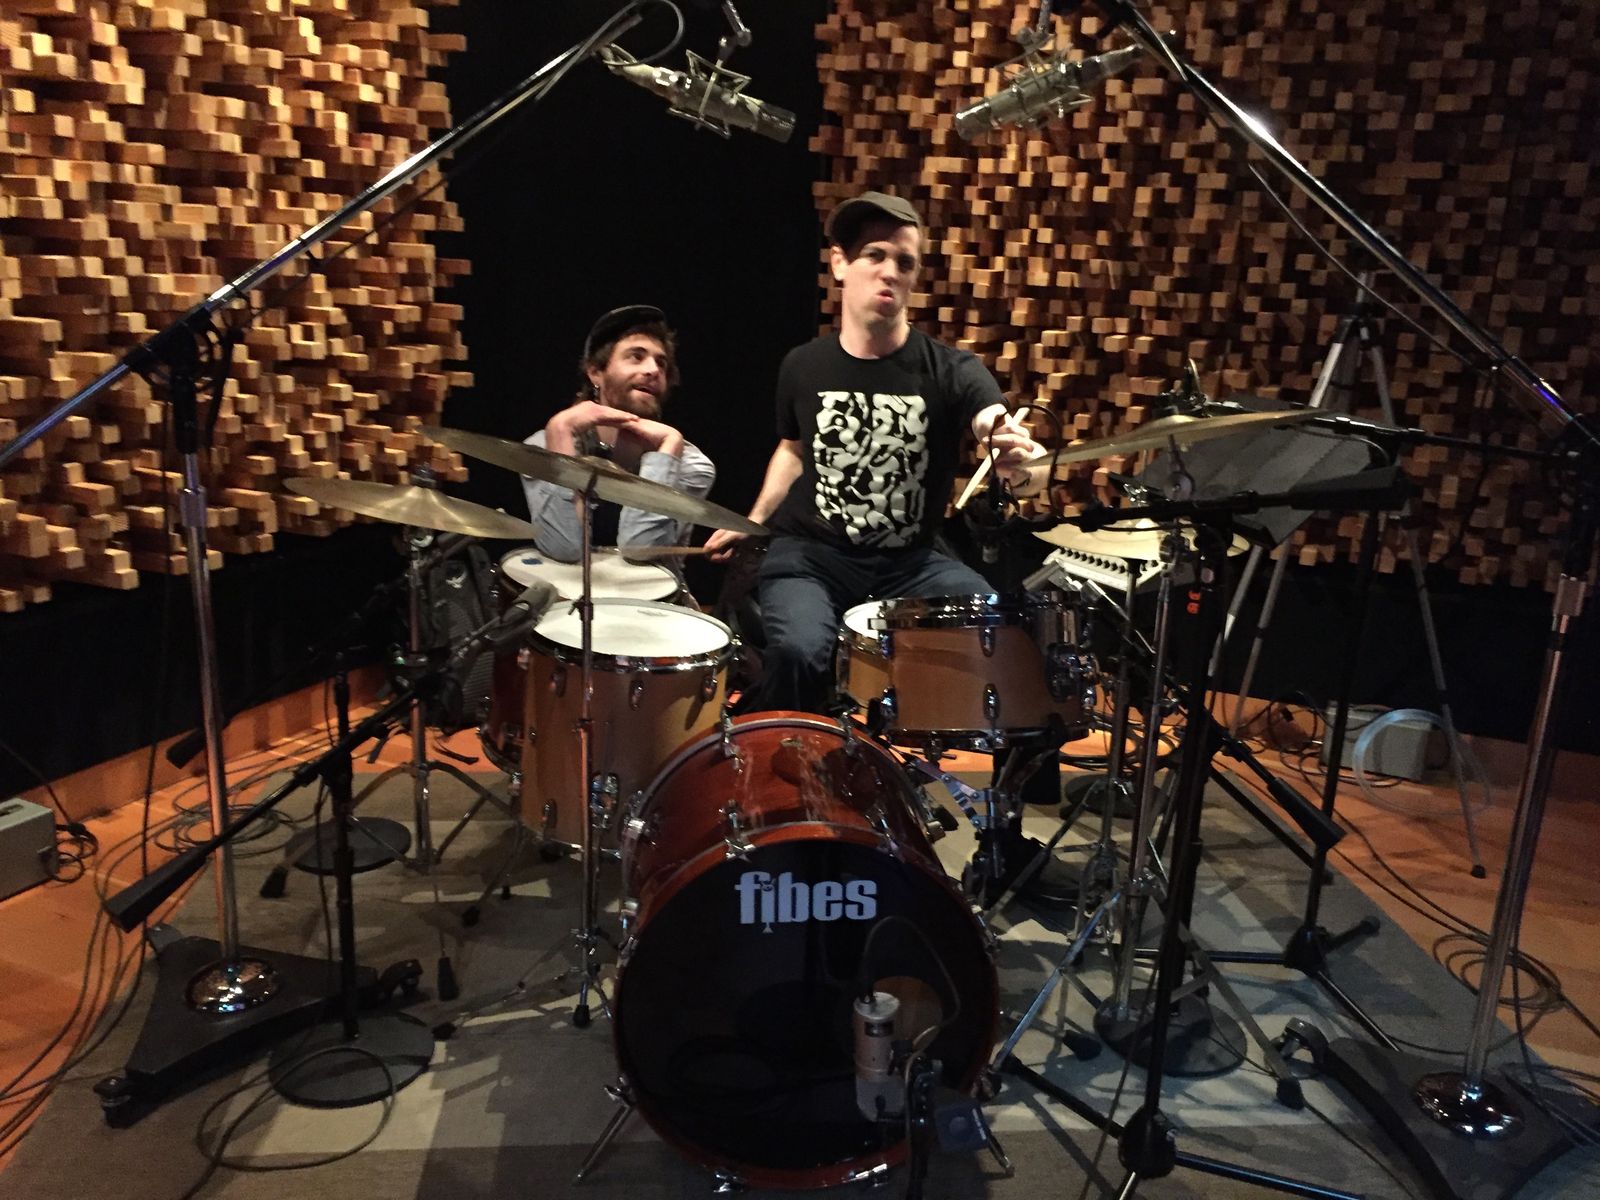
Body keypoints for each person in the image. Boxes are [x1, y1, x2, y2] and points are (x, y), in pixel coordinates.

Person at [706, 192, 1044, 714]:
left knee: (995, 630)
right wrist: (752, 521)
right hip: (811, 557)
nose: (889, 271)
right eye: (875, 255)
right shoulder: (802, 366)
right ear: (840, 263)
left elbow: (992, 421)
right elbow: (793, 449)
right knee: (798, 653)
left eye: (904, 262)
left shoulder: (951, 369)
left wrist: (1013, 453)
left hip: (911, 563)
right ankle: (775, 748)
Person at [522, 304, 715, 558]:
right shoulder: (541, 447)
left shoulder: (690, 465)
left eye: (661, 363)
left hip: (649, 585)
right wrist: (560, 430)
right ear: (596, 373)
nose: (653, 370)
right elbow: (563, 549)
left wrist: (669, 444)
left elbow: (639, 551)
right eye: (636, 356)